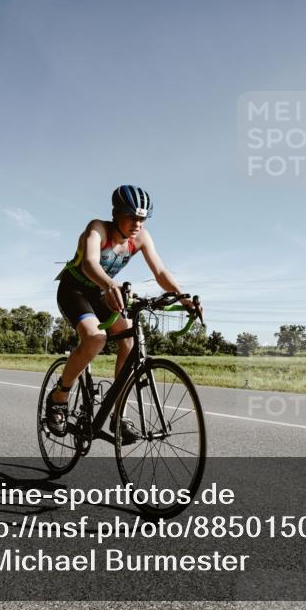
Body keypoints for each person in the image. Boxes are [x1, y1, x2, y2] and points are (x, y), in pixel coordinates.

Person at [47, 185, 202, 441]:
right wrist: (110, 284)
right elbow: (90, 263)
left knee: (129, 337)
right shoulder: (98, 229)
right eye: (131, 216)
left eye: (142, 218)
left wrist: (183, 297)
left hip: (101, 293)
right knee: (95, 338)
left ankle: (119, 414)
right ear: (115, 213)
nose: (137, 223)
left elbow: (160, 272)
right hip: (74, 290)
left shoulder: (141, 238)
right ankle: (59, 397)